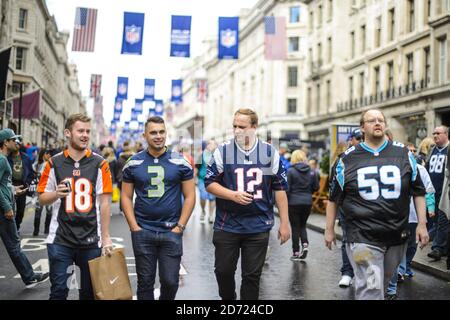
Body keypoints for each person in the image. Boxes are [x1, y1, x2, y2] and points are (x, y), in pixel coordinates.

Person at [325, 109, 429, 300]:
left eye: (381, 120)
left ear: (386, 125)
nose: (377, 123)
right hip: (362, 236)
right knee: (371, 289)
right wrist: (329, 228)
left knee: (382, 282)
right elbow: (333, 199)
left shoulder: (404, 154)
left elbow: (418, 192)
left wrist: (422, 224)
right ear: (362, 127)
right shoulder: (346, 159)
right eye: (371, 120)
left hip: (396, 235)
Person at [205, 108, 290, 300]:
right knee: (223, 272)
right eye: (234, 126)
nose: (236, 131)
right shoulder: (222, 151)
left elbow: (280, 189)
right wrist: (232, 195)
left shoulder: (269, 153)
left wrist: (285, 223)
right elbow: (209, 184)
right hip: (228, 224)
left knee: (252, 277)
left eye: (242, 127)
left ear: (254, 127)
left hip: (258, 224)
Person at [38, 114, 113, 300]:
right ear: (67, 133)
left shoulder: (100, 164)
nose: (85, 135)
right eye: (80, 131)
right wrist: (56, 194)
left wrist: (106, 237)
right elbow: (41, 198)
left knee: (88, 293)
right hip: (60, 239)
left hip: (90, 240)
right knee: (58, 292)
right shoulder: (53, 163)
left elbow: (104, 203)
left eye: (88, 131)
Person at [121, 116, 196, 300]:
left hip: (171, 230)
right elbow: (126, 196)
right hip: (143, 230)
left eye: (161, 132)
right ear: (145, 135)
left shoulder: (180, 162)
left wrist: (180, 227)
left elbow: (190, 196)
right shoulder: (133, 163)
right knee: (145, 283)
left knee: (170, 281)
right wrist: (134, 227)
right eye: (153, 132)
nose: (158, 136)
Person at [0, 129, 49, 288]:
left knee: (14, 245)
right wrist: (7, 207)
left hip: (5, 206)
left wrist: (14, 190)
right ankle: (30, 276)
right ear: (5, 142)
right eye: (14, 140)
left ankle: (29, 276)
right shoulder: (2, 160)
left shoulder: (4, 159)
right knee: (14, 246)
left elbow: (3, 184)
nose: (17, 142)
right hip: (3, 211)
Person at [385, 147, 436, 299]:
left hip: (413, 216)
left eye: (414, 150)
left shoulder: (419, 169)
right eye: (409, 150)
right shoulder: (393, 167)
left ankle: (403, 267)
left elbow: (427, 189)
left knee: (411, 245)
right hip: (397, 217)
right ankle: (397, 275)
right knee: (398, 246)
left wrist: (428, 212)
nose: (412, 152)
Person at [336, 129, 363, 288]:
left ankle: (362, 273)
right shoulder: (344, 159)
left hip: (372, 211)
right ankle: (347, 272)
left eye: (363, 138)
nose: (360, 140)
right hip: (349, 210)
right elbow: (335, 192)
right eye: (358, 138)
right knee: (348, 240)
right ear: (351, 140)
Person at [287, 150, 319, 261]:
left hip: (293, 202)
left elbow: (287, 188)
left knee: (295, 227)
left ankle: (296, 252)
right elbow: (316, 187)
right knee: (303, 225)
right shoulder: (312, 171)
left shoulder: (290, 171)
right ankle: (305, 244)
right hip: (307, 202)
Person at [426, 126, 449, 261]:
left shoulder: (448, 149)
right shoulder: (432, 150)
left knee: (442, 221)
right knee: (435, 221)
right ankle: (442, 248)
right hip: (431, 192)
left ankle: (437, 248)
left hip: (444, 191)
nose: (435, 135)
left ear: (446, 134)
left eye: (438, 133)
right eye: (433, 133)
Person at [7, 135, 34, 231]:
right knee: (8, 209)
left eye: (18, 143)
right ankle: (10, 229)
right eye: (15, 143)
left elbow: (31, 173)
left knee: (21, 211)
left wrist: (27, 183)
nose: (16, 145)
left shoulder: (26, 158)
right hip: (10, 185)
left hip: (22, 186)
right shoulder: (7, 157)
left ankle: (17, 226)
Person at [33, 148, 53, 236]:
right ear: (43, 154)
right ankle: (38, 230)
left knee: (48, 212)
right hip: (41, 191)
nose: (49, 155)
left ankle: (45, 230)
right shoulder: (38, 165)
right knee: (39, 211)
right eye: (48, 153)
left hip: (47, 191)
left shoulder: (37, 165)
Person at [197, 140, 217, 224]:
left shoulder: (217, 155)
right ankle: (203, 211)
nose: (211, 146)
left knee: (212, 198)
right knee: (203, 196)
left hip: (213, 180)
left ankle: (211, 215)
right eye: (209, 144)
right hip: (202, 179)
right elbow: (196, 167)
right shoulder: (202, 155)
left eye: (213, 144)